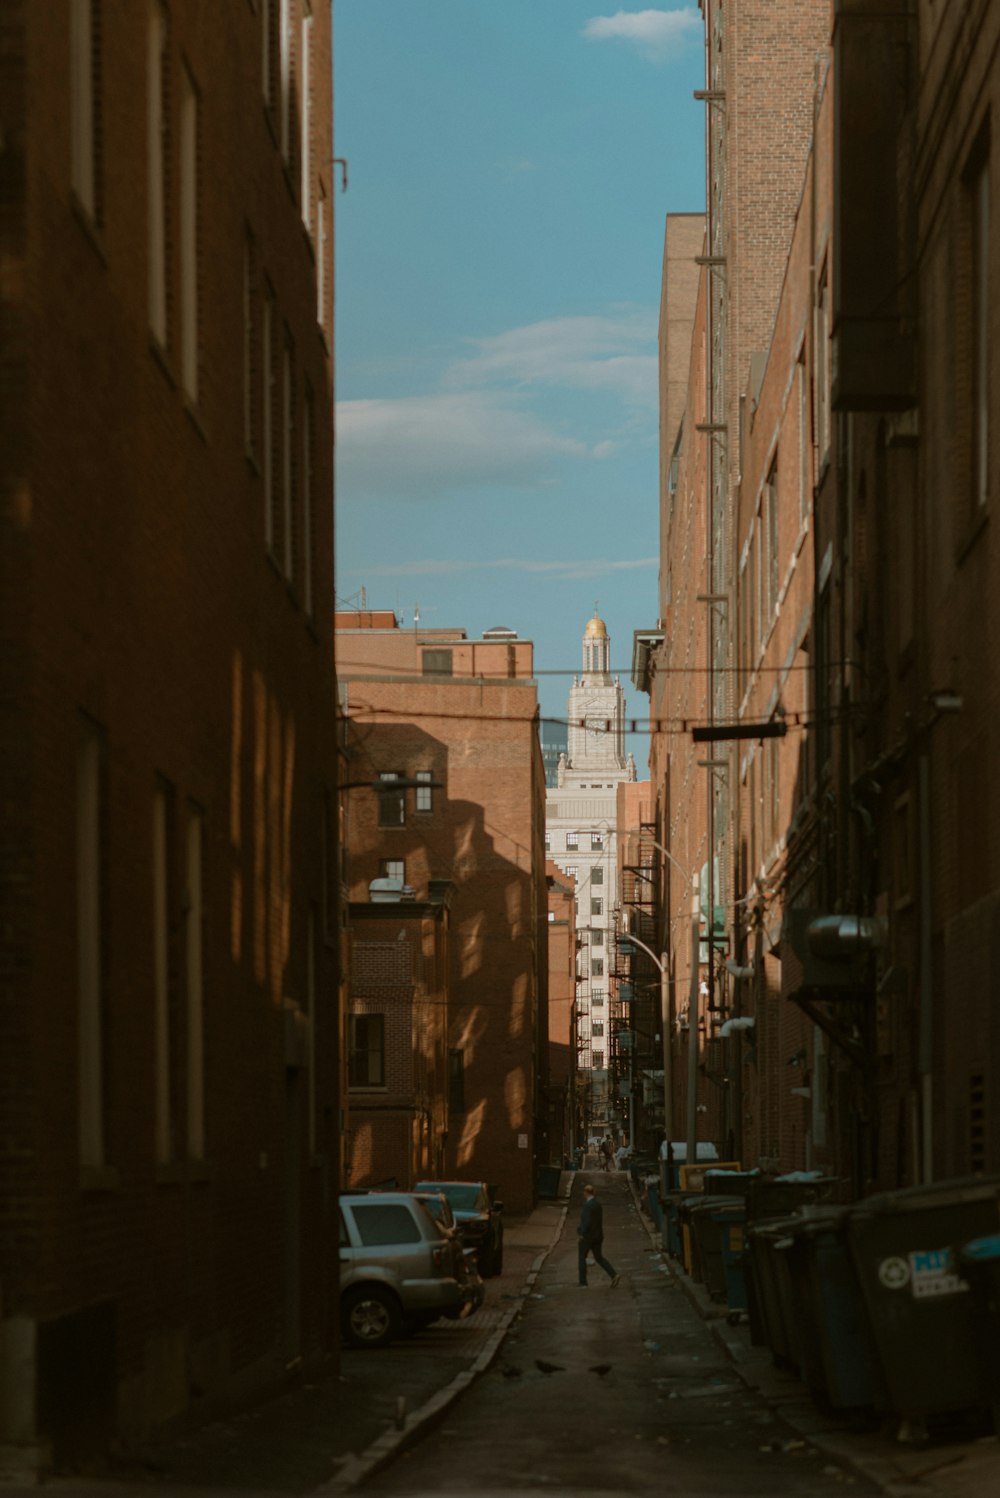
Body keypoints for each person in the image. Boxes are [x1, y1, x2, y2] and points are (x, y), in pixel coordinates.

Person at [577, 1184, 620, 1287]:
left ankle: (583, 1282)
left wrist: (581, 1232)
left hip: (588, 1236)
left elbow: (586, 1222)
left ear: (586, 1193)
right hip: (598, 1236)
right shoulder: (598, 1205)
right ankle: (614, 1274)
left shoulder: (587, 1206)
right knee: (599, 1258)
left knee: (582, 1257)